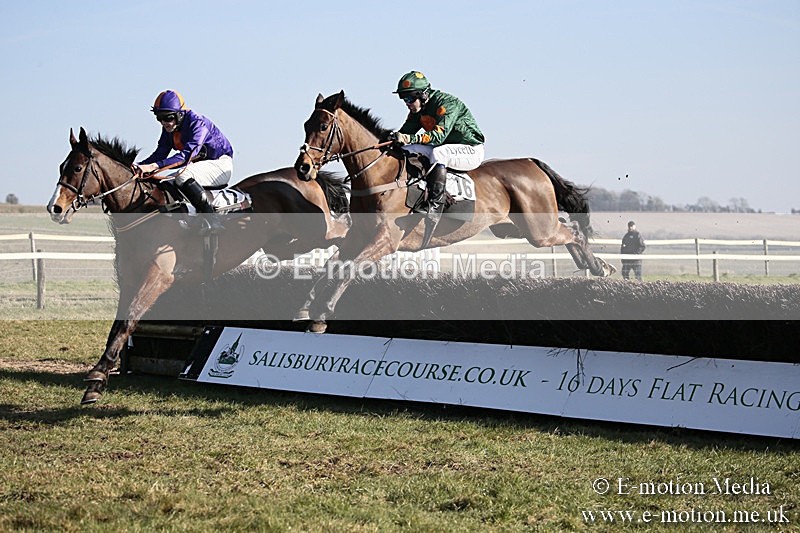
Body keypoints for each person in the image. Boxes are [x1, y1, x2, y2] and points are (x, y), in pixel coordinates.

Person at [388, 71, 485, 248]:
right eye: (404, 100)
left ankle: (435, 204)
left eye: (409, 99)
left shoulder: (447, 104)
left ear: (422, 95)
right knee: (406, 149)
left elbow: (438, 137)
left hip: (470, 150)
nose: (407, 104)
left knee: (439, 153)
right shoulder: (418, 110)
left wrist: (409, 138)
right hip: (445, 147)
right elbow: (405, 134)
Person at [133, 90, 233, 233]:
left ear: (180, 113)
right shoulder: (170, 128)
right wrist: (138, 166)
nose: (164, 123)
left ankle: (213, 220)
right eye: (159, 118)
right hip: (199, 166)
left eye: (167, 117)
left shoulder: (198, 123)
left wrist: (153, 166)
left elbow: (186, 156)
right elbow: (160, 154)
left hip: (220, 164)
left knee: (182, 175)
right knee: (164, 183)